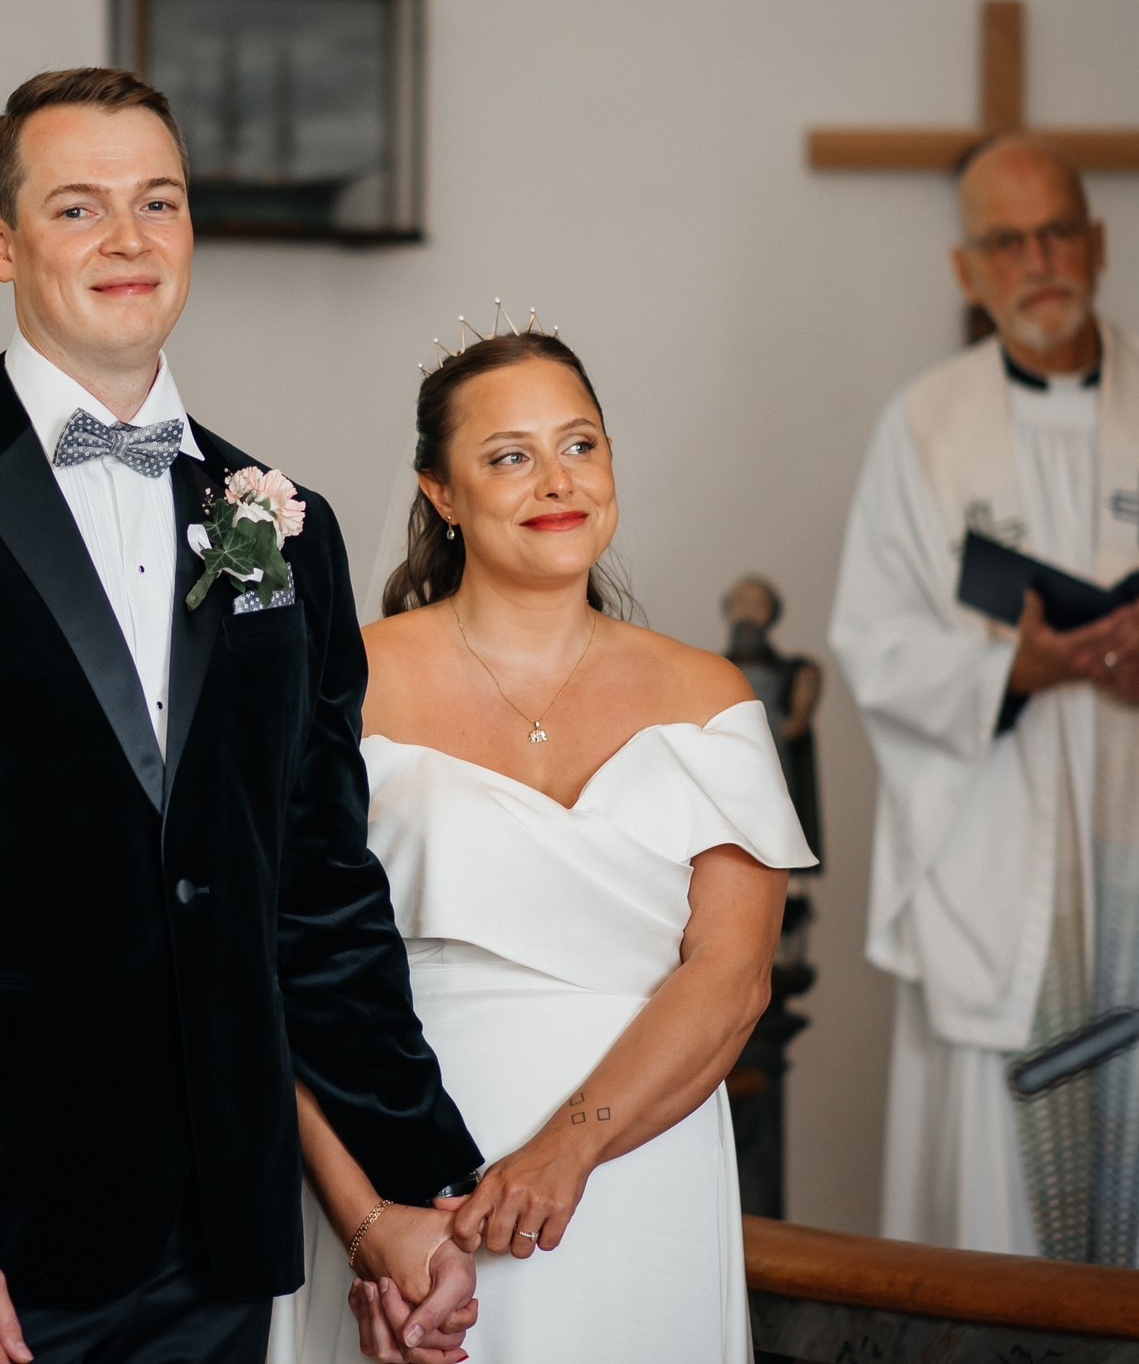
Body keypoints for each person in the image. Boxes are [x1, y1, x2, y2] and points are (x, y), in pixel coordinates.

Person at [0, 68, 484, 1364]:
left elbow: (317, 888)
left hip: (214, 1232)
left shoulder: (276, 524)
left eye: (159, 201)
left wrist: (410, 1184)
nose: (129, 240)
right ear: (2, 242)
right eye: (79, 207)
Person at [828, 136, 1139, 1274]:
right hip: (1006, 859)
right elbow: (874, 632)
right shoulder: (920, 428)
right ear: (967, 270)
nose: (1036, 259)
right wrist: (1014, 669)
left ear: (1096, 244)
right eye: (1006, 240)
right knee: (1007, 1216)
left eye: (1057, 231)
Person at [274, 325, 816, 1364]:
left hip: (634, 1170)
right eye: (508, 454)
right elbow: (269, 973)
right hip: (403, 1174)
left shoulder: (707, 694)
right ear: (440, 490)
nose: (555, 481)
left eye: (579, 444)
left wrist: (567, 1150)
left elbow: (734, 974)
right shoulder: (346, 678)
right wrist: (369, 1220)